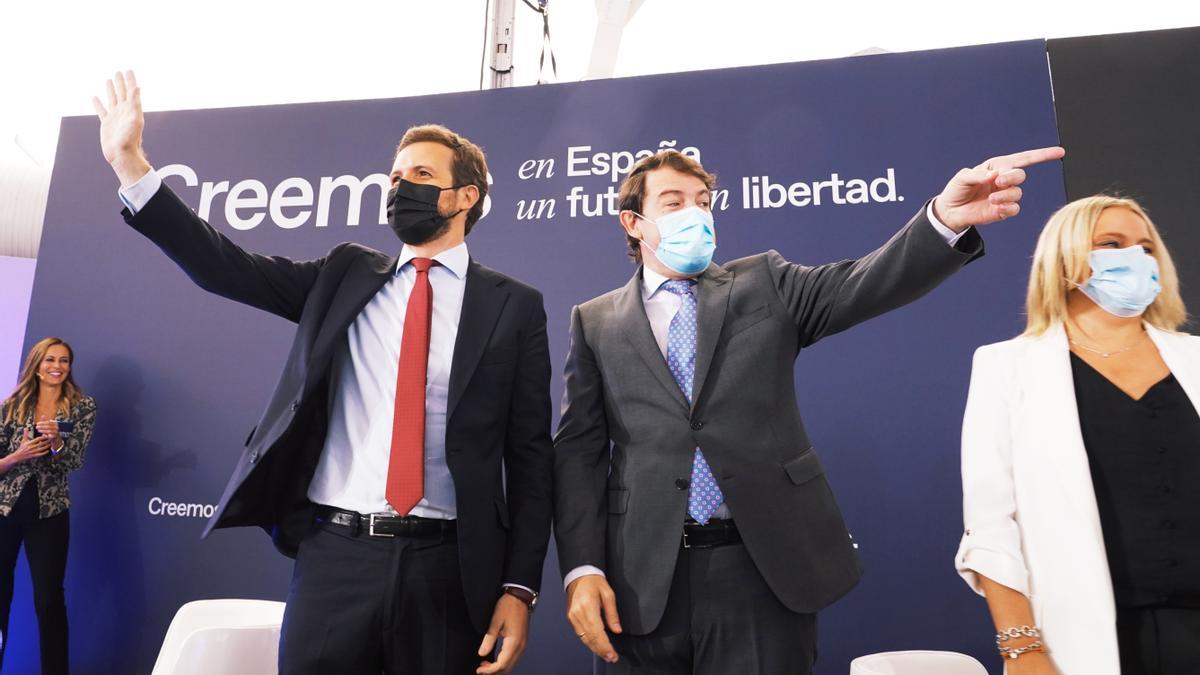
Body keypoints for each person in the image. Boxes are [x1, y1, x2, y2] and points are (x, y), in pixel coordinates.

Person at [92, 71, 554, 675]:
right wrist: (131, 165)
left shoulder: (513, 305)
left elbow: (530, 459)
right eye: (394, 177)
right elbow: (225, 267)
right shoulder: (346, 274)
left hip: (451, 570)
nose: (400, 187)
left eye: (421, 175)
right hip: (336, 558)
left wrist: (519, 590)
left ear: (465, 197)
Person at [553, 144, 1063, 674]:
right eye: (674, 202)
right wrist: (582, 569)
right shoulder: (595, 322)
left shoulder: (763, 283)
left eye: (703, 201)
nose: (695, 214)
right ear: (634, 223)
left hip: (762, 569)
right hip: (640, 580)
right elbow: (578, 454)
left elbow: (865, 283)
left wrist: (943, 221)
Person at [957, 195, 1198, 675]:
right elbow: (991, 528)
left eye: (1146, 248)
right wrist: (1021, 649)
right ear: (1065, 260)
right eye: (1112, 243)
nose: (1136, 259)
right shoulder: (1008, 368)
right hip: (1086, 643)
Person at [0, 337, 97, 674]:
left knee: (49, 599)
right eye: (51, 360)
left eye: (65, 361)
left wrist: (57, 443)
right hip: (5, 511)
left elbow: (74, 462)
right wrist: (18, 456)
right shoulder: (11, 406)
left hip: (50, 512)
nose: (58, 367)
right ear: (37, 365)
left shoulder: (82, 406)